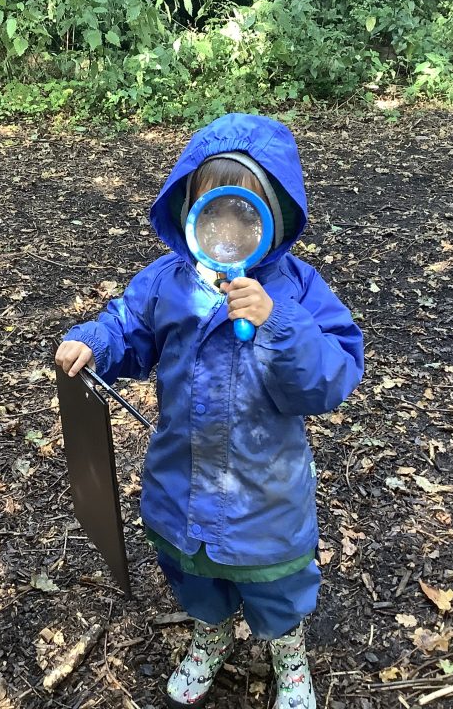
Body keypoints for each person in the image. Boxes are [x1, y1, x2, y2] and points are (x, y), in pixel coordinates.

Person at [55, 114, 364, 708]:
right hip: (182, 473)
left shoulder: (297, 290)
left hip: (265, 489)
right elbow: (128, 326)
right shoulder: (167, 282)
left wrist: (277, 319)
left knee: (276, 584)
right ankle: (210, 632)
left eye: (243, 215)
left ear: (271, 216)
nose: (227, 230)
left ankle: (286, 650)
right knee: (192, 570)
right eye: (212, 213)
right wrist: (95, 340)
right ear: (190, 213)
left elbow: (330, 377)